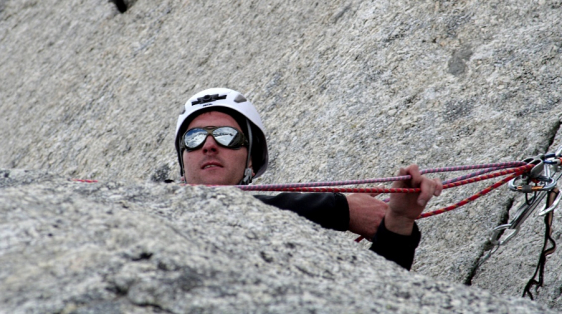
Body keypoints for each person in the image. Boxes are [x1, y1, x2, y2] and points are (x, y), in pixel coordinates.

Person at [174, 88, 442, 270]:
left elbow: (374, 298)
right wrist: (341, 209)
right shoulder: (147, 210)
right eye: (193, 138)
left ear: (251, 162)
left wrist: (397, 225)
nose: (208, 145)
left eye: (226, 135)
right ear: (182, 163)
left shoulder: (286, 247)